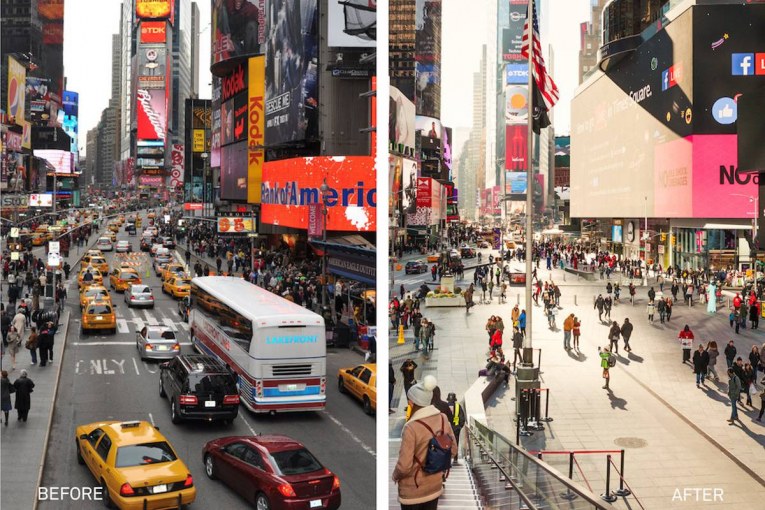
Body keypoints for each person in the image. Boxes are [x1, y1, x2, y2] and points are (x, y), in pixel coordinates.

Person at [392, 375, 457, 510]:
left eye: (410, 400)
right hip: (434, 486)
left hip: (413, 490)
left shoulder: (411, 427)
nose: (409, 403)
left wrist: (395, 475)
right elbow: (453, 450)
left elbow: (404, 466)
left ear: (413, 402)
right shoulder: (443, 418)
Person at [446, 393, 465, 464]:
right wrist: (460, 426)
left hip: (447, 428)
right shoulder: (458, 406)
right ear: (455, 399)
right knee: (456, 443)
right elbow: (462, 417)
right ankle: (455, 458)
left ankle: (447, 458)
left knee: (447, 443)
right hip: (456, 428)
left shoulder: (445, 406)